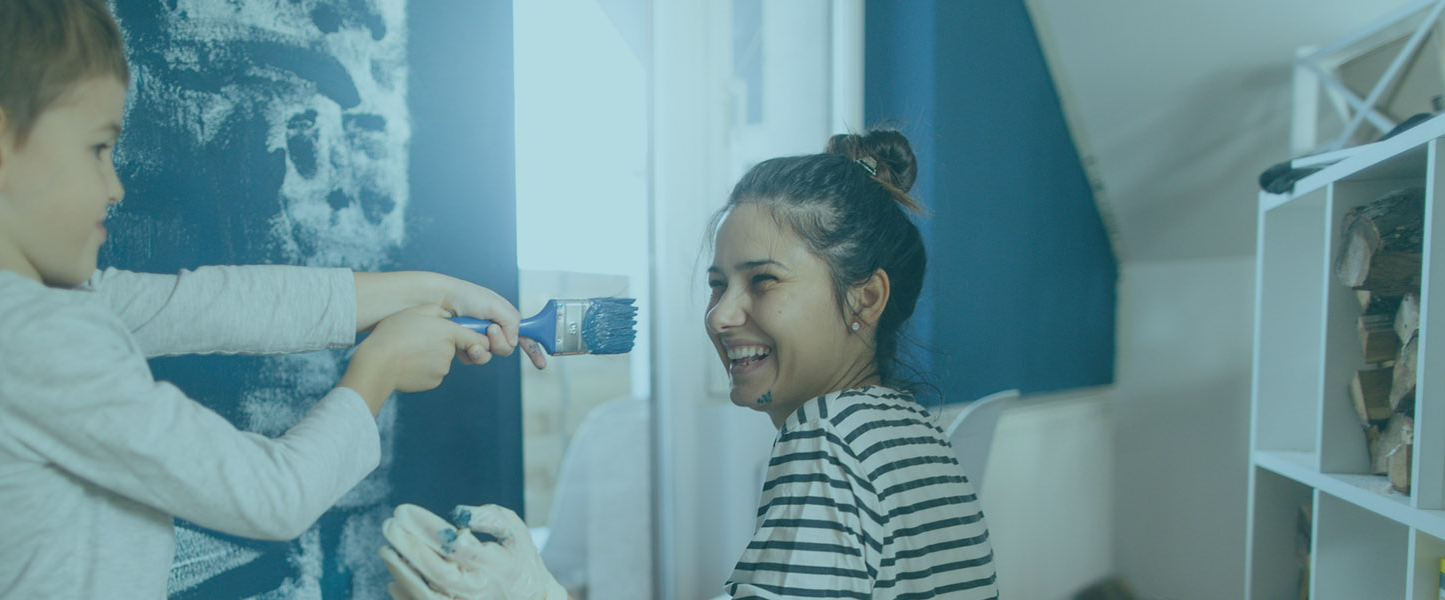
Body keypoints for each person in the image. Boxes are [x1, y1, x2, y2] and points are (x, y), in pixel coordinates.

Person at [0, 1, 526, 597]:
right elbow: (271, 496)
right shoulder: (32, 344)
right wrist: (379, 370)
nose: (115, 186)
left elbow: (208, 305)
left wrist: (424, 290)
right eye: (97, 148)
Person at [381, 128, 1000, 599]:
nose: (720, 315)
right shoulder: (916, 433)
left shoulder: (827, 440)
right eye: (717, 284)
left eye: (763, 281)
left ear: (865, 298)